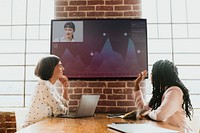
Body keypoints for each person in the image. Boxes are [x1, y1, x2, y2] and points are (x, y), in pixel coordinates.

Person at [133, 60, 193, 132]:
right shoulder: (160, 93)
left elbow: (160, 116)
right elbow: (143, 110)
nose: (150, 75)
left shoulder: (174, 91)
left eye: (153, 72)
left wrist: (148, 113)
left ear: (159, 75)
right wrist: (136, 85)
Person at [22, 55, 69, 128]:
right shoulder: (45, 86)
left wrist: (65, 87)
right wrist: (65, 109)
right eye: (59, 66)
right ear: (51, 69)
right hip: (32, 129)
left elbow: (63, 104)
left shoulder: (49, 85)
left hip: (41, 127)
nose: (63, 68)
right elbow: (60, 111)